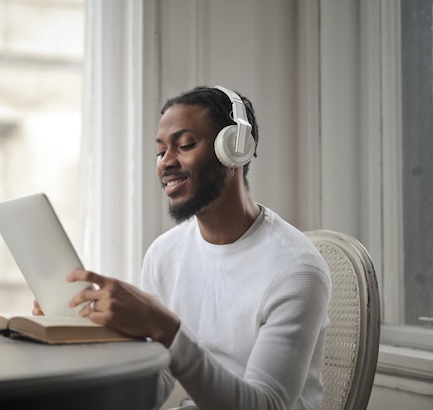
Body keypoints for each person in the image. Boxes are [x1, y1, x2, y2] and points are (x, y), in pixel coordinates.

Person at [33, 86, 331, 410]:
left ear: (235, 149)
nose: (164, 164)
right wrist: (91, 335)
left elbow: (264, 405)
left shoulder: (296, 271)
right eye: (160, 152)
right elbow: (156, 386)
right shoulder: (165, 254)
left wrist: (164, 327)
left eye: (185, 145)